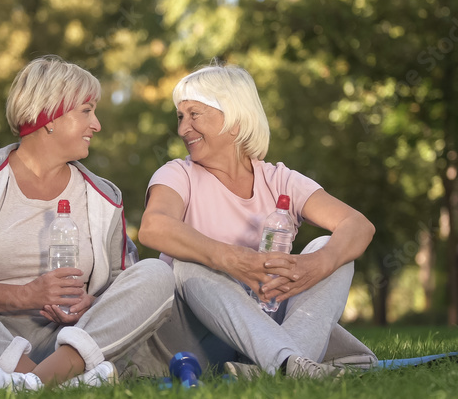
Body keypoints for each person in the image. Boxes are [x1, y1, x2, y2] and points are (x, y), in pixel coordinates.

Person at [0, 56, 174, 391]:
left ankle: (31, 384)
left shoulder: (104, 197)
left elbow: (120, 294)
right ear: (49, 116)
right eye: (86, 111)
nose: (97, 124)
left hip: (68, 351)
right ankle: (44, 382)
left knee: (157, 274)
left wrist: (93, 302)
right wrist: (25, 296)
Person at [135, 64, 378, 379]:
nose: (183, 129)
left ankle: (279, 367)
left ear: (234, 119)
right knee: (187, 263)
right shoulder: (177, 174)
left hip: (265, 327)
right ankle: (289, 363)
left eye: (194, 115)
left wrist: (319, 263)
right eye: (181, 117)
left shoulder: (279, 179)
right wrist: (231, 259)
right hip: (194, 337)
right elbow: (153, 227)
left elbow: (358, 226)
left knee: (333, 247)